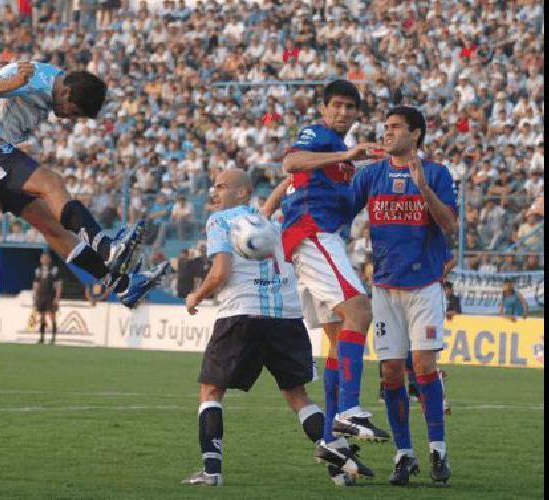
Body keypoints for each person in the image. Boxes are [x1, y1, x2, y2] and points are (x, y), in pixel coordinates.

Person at [181, 169, 373, 487]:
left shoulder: (221, 221)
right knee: (298, 396)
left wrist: (195, 297)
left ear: (242, 192)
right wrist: (284, 187)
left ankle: (211, 471)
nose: (213, 192)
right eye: (213, 186)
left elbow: (221, 272)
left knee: (211, 391)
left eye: (221, 186)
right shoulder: (276, 224)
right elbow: (264, 215)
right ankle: (339, 464)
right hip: (286, 317)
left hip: (241, 315)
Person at [0, 60, 166, 307]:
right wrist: (13, 83)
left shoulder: (53, 83)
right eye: (73, 112)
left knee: (52, 227)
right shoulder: (31, 80)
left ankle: (122, 286)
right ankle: (107, 248)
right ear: (66, 92)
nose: (70, 119)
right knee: (51, 183)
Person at [348, 106, 455, 486]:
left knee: (423, 367)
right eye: (386, 127)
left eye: (395, 127)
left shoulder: (438, 174)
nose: (387, 133)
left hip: (423, 286)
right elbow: (343, 209)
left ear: (416, 134)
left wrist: (422, 186)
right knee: (390, 371)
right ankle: (404, 453)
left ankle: (438, 450)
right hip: (384, 289)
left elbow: (450, 226)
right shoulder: (373, 175)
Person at [279, 79, 389, 445]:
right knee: (359, 311)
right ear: (324, 109)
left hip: (313, 237)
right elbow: (290, 162)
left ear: (357, 113)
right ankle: (348, 410)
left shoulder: (343, 157)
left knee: (338, 337)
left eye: (349, 107)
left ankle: (332, 442)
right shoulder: (319, 136)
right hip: (313, 235)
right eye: (336, 105)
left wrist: (366, 175)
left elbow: (342, 205)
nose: (342, 112)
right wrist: (345, 156)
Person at [31, 252, 63, 344]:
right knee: (41, 316)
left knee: (52, 316)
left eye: (46, 258)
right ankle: (42, 338)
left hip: (50, 296)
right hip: (41, 296)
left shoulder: (54, 270)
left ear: (50, 260)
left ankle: (53, 338)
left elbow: (58, 285)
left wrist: (57, 298)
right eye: (43, 258)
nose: (44, 260)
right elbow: (35, 284)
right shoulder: (38, 270)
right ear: (41, 260)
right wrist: (34, 296)